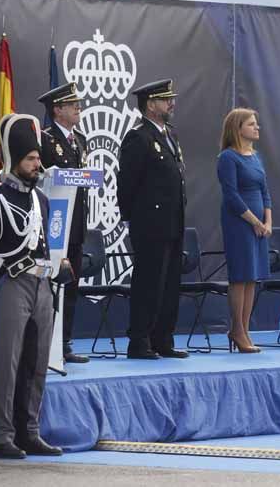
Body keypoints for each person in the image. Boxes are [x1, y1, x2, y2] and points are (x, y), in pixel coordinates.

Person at [0, 113, 62, 458]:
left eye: (38, 158)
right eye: (31, 159)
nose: (38, 164)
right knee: (6, 364)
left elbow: (42, 244)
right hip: (10, 284)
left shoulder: (42, 200)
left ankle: (29, 431)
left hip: (40, 286)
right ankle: (0, 435)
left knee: (37, 363)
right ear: (14, 161)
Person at [116, 78, 188, 359]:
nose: (172, 103)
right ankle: (139, 341)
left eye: (172, 98)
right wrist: (131, 218)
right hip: (149, 223)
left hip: (173, 220)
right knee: (148, 283)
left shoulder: (170, 134)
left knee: (170, 283)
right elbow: (127, 183)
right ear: (150, 105)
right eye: (165, 99)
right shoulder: (139, 136)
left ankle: (163, 339)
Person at [38, 82, 89, 364]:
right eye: (72, 105)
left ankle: (65, 342)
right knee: (52, 284)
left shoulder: (80, 140)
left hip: (77, 223)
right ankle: (48, 340)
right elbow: (43, 180)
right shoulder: (45, 140)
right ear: (57, 110)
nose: (78, 108)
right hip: (55, 225)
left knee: (71, 285)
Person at [216, 108, 272, 353]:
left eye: (256, 123)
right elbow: (231, 196)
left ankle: (245, 330)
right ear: (238, 129)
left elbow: (265, 192)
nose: (257, 127)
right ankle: (236, 329)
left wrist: (267, 221)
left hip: (259, 226)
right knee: (240, 277)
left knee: (252, 277)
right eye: (251, 124)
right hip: (239, 223)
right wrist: (254, 222)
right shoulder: (228, 157)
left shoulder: (255, 156)